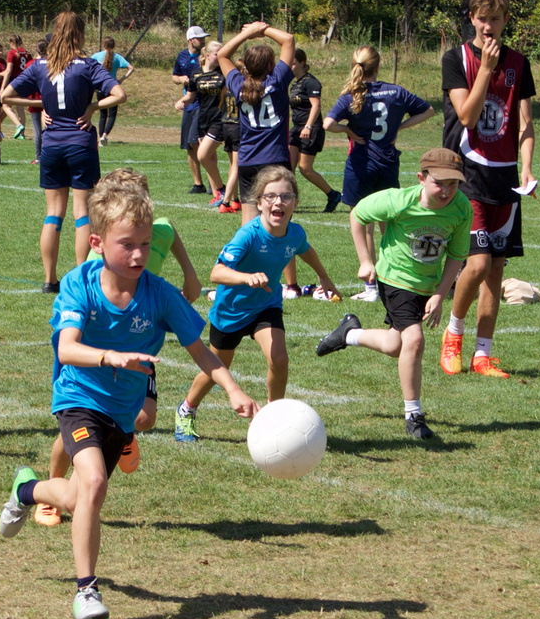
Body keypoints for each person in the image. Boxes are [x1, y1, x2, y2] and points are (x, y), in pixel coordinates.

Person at [0, 177, 259, 619]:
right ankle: (86, 592)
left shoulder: (159, 294)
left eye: (143, 244)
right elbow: (67, 349)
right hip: (79, 398)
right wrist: (109, 356)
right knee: (95, 483)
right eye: (126, 246)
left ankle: (27, 489)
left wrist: (233, 389)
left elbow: (200, 348)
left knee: (81, 500)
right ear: (96, 242)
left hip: (122, 413)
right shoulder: (79, 285)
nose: (138, 255)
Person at [36, 167, 203, 527]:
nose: (138, 250)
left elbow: (187, 274)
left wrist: (187, 286)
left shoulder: (162, 229)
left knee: (145, 417)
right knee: (77, 430)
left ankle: (120, 432)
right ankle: (51, 487)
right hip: (92, 357)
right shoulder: (98, 265)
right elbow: (76, 324)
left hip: (139, 347)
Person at [315, 149, 472, 440]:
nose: (447, 191)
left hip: (428, 285)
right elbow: (358, 215)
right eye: (440, 183)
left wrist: (439, 295)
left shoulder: (462, 208)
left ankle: (349, 334)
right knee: (414, 340)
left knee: (396, 345)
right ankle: (413, 416)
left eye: (454, 184)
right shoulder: (398, 200)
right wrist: (365, 260)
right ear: (422, 178)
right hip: (395, 280)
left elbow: (456, 256)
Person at [174, 166, 337, 442]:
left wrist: (324, 276)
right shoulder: (248, 235)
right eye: (270, 196)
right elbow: (216, 273)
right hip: (230, 312)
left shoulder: (294, 234)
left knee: (279, 358)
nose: (278, 202)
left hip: (266, 306)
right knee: (216, 370)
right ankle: (186, 409)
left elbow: (305, 249)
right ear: (259, 203)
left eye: (286, 196)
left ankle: (273, 416)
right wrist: (246, 277)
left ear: (295, 203)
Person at [437, 0, 536, 380]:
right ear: (472, 18)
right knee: (475, 264)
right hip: (469, 174)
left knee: (495, 267)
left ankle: (483, 354)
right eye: (482, 18)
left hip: (506, 178)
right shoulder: (456, 58)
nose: (489, 26)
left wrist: (527, 168)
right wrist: (489, 70)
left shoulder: (519, 63)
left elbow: (526, 123)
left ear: (505, 20)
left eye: (496, 19)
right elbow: (468, 116)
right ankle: (453, 336)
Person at [2, 12, 127, 293]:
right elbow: (120, 94)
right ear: (80, 34)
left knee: (53, 213)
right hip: (81, 143)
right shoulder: (87, 65)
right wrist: (93, 107)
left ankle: (49, 279)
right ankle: (81, 276)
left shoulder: (39, 66)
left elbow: (5, 96)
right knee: (82, 213)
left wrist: (42, 105)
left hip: (51, 145)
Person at [324, 45, 434, 302]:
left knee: (363, 223)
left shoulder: (351, 94)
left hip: (361, 165)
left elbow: (328, 124)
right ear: (378, 66)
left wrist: (349, 132)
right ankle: (400, 281)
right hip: (387, 163)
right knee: (390, 225)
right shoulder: (396, 91)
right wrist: (399, 127)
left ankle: (371, 288)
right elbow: (428, 110)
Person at [218, 21, 298, 225]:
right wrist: (263, 30)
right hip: (275, 160)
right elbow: (288, 40)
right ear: (271, 66)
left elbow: (222, 55)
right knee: (280, 225)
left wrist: (246, 34)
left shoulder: (238, 84)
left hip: (247, 161)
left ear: (245, 66)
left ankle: (247, 257)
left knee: (248, 225)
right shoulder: (277, 81)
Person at [176, 40, 232, 210]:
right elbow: (191, 96)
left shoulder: (224, 72)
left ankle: (223, 190)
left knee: (202, 156)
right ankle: (217, 194)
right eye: (217, 53)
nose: (220, 56)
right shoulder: (196, 74)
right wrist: (182, 101)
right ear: (207, 55)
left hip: (219, 120)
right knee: (210, 158)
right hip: (203, 120)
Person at [288, 48, 343, 212]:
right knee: (288, 168)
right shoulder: (295, 84)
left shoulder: (310, 82)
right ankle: (292, 202)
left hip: (310, 129)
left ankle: (333, 194)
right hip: (295, 129)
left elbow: (316, 106)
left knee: (305, 169)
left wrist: (308, 126)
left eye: (293, 62)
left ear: (302, 63)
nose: (290, 65)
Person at [173, 26, 209, 193]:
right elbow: (174, 76)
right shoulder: (182, 56)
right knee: (189, 144)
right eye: (199, 38)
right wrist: (180, 79)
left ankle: (214, 185)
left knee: (198, 142)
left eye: (203, 38)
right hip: (189, 104)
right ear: (190, 40)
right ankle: (198, 184)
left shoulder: (206, 56)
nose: (202, 40)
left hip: (202, 104)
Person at [94, 37, 131, 146]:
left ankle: (101, 137)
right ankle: (105, 135)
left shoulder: (96, 56)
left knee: (103, 114)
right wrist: (121, 80)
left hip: (100, 88)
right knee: (112, 114)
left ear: (103, 45)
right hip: (113, 88)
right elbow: (131, 68)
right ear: (113, 46)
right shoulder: (117, 57)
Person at [4, 34, 31, 139]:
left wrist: (4, 85)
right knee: (20, 107)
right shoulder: (27, 53)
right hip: (25, 81)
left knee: (5, 105)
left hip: (14, 81)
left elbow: (9, 70)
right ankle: (22, 134)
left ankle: (18, 125)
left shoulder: (12, 53)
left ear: (11, 43)